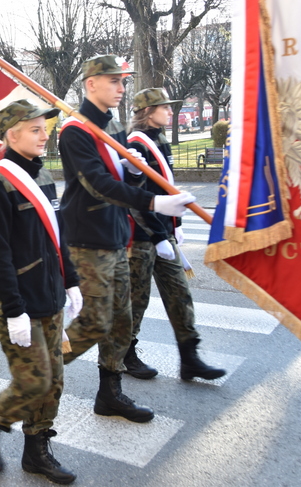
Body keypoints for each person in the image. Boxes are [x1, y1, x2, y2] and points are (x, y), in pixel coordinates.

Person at [58, 55, 195, 423]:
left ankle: (110, 393)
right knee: (94, 322)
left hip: (116, 235)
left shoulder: (112, 125)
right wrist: (156, 200)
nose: (122, 88)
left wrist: (133, 172)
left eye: (123, 81)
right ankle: (36, 372)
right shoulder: (76, 130)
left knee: (121, 319)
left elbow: (119, 181)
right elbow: (97, 186)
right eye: (114, 81)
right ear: (91, 84)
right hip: (89, 239)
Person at [0, 100, 82, 484]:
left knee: (54, 383)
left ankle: (37, 452)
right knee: (34, 381)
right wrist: (13, 310)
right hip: (20, 304)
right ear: (12, 135)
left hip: (50, 296)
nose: (44, 134)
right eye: (35, 129)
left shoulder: (43, 176)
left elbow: (56, 233)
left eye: (43, 128)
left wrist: (72, 281)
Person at [125, 88, 226, 381]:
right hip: (142, 238)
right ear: (148, 111)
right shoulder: (137, 144)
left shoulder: (160, 140)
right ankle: (125, 355)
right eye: (164, 108)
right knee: (136, 301)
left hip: (164, 233)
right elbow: (136, 198)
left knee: (180, 294)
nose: (170, 112)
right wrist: (158, 236)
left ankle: (189, 357)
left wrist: (173, 230)